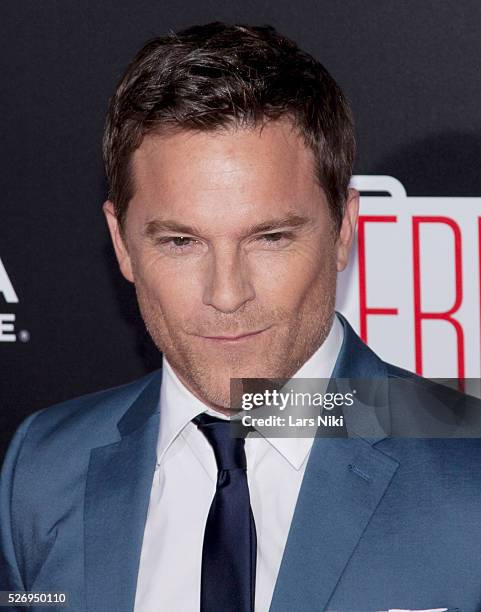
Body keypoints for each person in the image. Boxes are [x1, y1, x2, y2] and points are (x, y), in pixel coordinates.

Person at [1, 21, 481, 612]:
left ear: (344, 232)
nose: (227, 295)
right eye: (180, 242)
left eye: (270, 238)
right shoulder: (44, 466)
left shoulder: (470, 462)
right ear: (122, 245)